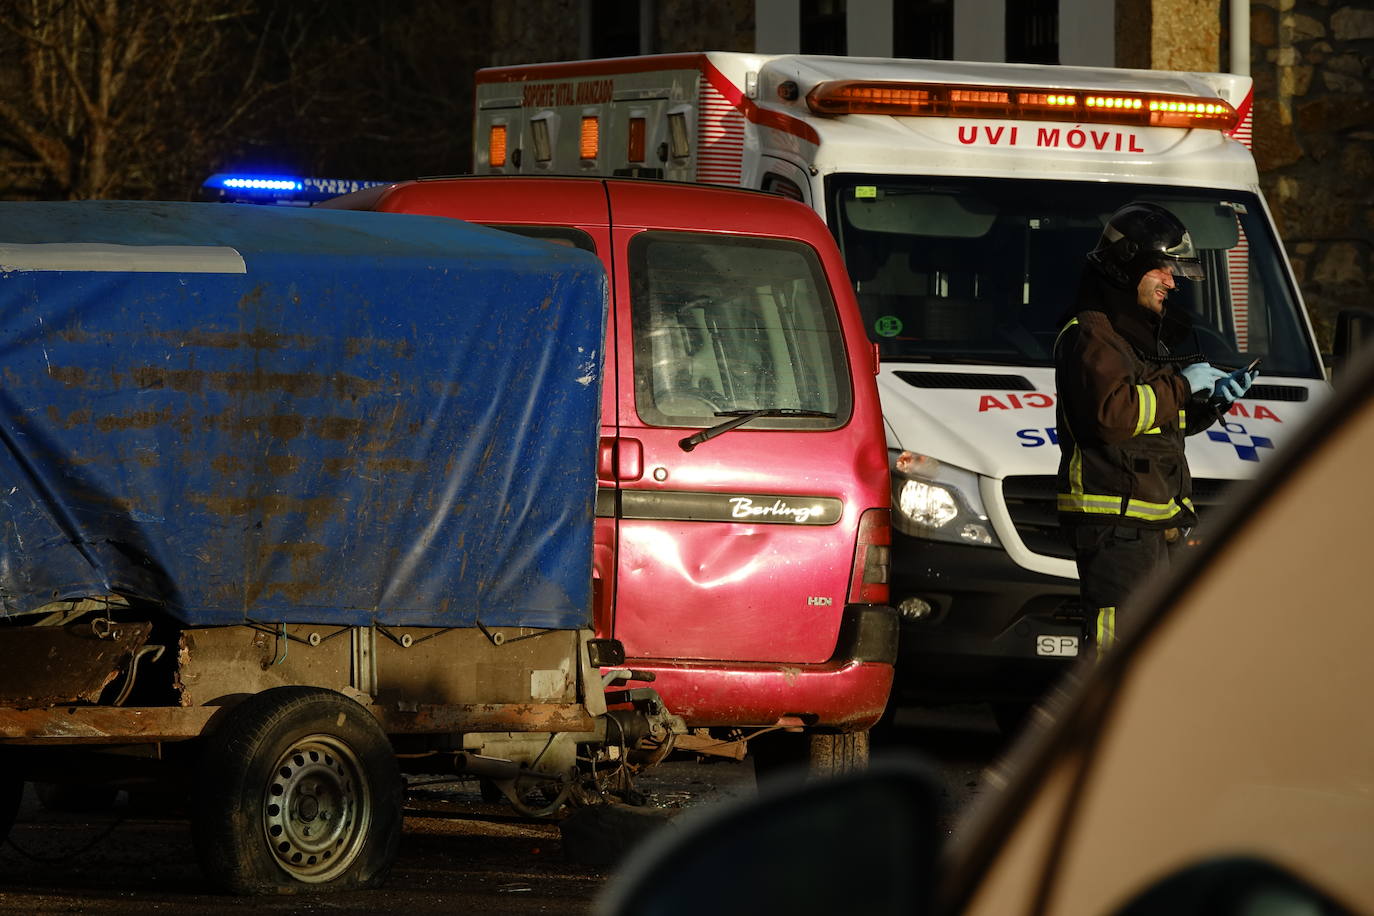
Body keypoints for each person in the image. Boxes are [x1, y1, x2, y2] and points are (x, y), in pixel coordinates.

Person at [1054, 202, 1257, 652]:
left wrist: (1210, 406)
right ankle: (1106, 724)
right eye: (1161, 268)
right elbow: (1112, 417)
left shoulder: (1128, 334)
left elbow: (1150, 423)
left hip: (1144, 522)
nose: (1172, 280)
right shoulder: (1092, 336)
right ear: (1128, 268)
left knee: (1151, 649)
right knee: (1116, 650)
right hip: (1116, 522)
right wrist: (1183, 386)